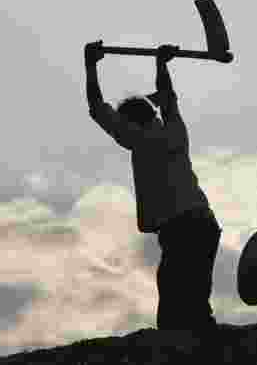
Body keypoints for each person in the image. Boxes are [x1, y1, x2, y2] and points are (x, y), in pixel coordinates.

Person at [85, 41, 221, 332]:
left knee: (173, 309)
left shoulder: (140, 140)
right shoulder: (175, 130)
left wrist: (90, 65)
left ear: (131, 122)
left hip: (183, 228)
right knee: (195, 302)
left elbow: (97, 109)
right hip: (205, 224)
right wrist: (161, 64)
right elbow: (169, 99)